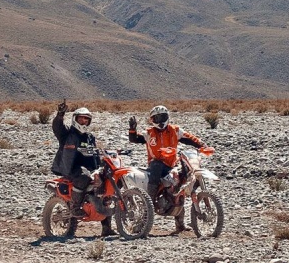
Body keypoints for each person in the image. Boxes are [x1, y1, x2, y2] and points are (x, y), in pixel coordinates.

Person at [128, 105, 207, 233]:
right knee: (157, 166)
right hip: (156, 164)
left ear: (167, 117)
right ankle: (150, 201)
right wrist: (132, 130)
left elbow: (190, 138)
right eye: (156, 118)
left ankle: (180, 224)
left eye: (162, 117)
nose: (159, 121)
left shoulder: (175, 130)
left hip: (171, 164)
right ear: (152, 120)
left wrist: (202, 145)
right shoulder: (149, 133)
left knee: (179, 187)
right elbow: (135, 139)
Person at [51, 100, 116, 237]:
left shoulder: (90, 137)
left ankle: (107, 228)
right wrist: (60, 115)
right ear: (75, 119)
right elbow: (57, 127)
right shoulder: (67, 134)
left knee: (105, 186)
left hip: (88, 168)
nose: (83, 122)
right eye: (81, 119)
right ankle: (74, 207)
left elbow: (94, 153)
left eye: (86, 120)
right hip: (69, 169)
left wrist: (102, 164)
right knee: (84, 177)